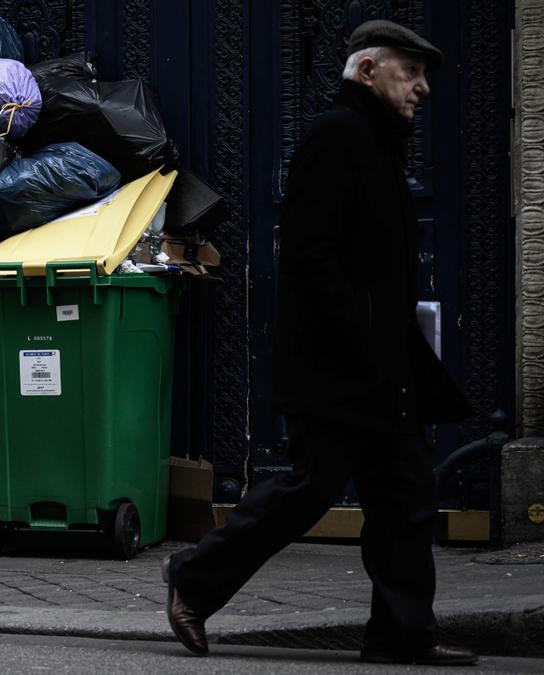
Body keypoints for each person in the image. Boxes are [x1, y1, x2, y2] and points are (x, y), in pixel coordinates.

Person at [162, 20, 477, 666]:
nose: (421, 87)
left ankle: (401, 633)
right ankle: (192, 580)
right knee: (309, 489)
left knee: (406, 495)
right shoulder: (335, 135)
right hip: (338, 363)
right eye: (409, 71)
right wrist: (358, 341)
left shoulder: (380, 142)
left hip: (382, 362)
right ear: (366, 70)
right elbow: (309, 253)